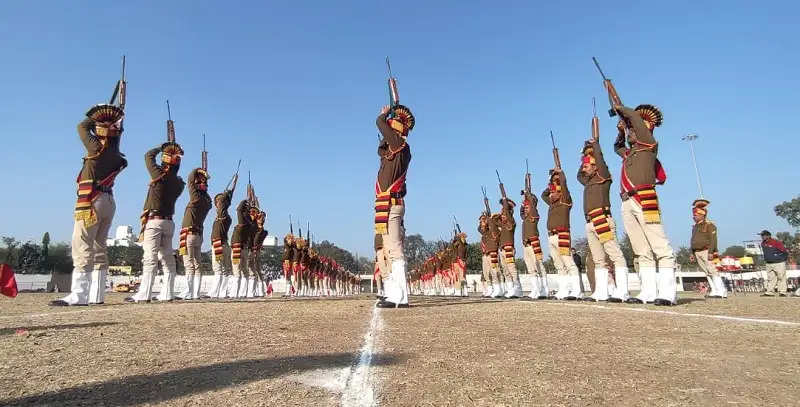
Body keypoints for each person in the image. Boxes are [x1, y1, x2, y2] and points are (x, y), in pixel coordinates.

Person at [51, 105, 126, 306]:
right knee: (99, 246)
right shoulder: (115, 151)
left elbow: (82, 127)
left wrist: (95, 118)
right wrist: (114, 121)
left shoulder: (96, 147)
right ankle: (97, 294)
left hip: (92, 200)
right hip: (109, 200)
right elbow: (116, 134)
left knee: (82, 244)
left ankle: (80, 295)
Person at [613, 103, 676, 306]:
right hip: (627, 200)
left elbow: (637, 122)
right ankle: (647, 291)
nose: (632, 130)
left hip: (644, 197)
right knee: (641, 249)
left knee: (660, 246)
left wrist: (621, 108)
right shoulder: (630, 153)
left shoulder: (649, 143)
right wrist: (621, 132)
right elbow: (617, 147)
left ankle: (668, 293)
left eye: (634, 128)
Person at [127, 142, 185, 303]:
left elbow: (148, 156)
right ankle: (168, 293)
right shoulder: (179, 183)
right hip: (169, 222)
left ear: (165, 161)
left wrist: (161, 147)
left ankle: (144, 294)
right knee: (167, 258)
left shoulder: (160, 175)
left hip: (155, 221)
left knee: (150, 257)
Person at [577, 139, 630, 302]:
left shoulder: (604, 176)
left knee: (615, 255)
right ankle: (601, 291)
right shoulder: (588, 181)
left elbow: (600, 160)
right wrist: (584, 156)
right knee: (598, 259)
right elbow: (579, 175)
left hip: (602, 219)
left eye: (587, 166)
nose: (584, 170)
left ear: (595, 166)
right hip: (590, 222)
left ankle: (623, 291)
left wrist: (595, 146)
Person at [374, 103, 414, 308]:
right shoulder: (393, 151)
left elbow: (380, 124)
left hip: (392, 206)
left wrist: (383, 116)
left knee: (395, 251)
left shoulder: (401, 147)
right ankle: (393, 294)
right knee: (390, 252)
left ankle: (400, 297)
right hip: (385, 207)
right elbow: (383, 146)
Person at [541, 168, 581, 300]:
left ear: (560, 192)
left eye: (554, 192)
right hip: (551, 236)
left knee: (569, 263)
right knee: (559, 265)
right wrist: (551, 182)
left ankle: (577, 291)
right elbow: (543, 195)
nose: (551, 194)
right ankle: (563, 291)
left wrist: (560, 174)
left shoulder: (565, 199)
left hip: (562, 234)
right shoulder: (552, 204)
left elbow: (564, 185)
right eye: (551, 192)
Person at [177, 167, 212, 300]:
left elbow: (190, 181)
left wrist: (197, 170)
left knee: (189, 263)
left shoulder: (196, 197)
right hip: (198, 235)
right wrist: (203, 181)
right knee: (197, 264)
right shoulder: (206, 201)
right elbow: (202, 190)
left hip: (189, 234)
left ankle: (188, 291)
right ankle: (195, 292)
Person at [206, 178, 236, 299]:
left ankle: (215, 292)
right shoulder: (224, 216)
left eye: (218, 202)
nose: (217, 204)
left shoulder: (223, 215)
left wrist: (227, 194)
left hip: (219, 244)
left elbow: (223, 203)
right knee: (223, 270)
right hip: (223, 243)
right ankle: (222, 292)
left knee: (218, 269)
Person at [689, 199, 724, 298]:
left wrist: (711, 251)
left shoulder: (709, 225)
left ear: (702, 214)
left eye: (695, 215)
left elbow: (713, 239)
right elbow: (693, 240)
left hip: (706, 251)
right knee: (706, 272)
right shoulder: (695, 227)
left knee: (713, 271)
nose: (693, 217)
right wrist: (691, 253)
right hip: (697, 252)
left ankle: (721, 291)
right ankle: (714, 290)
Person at [520, 188, 548, 300]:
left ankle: (545, 289)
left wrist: (528, 194)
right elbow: (521, 212)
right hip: (526, 244)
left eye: (527, 207)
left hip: (533, 243)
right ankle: (535, 289)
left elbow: (533, 202)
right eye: (525, 207)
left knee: (539, 265)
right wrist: (524, 200)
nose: (526, 209)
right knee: (530, 267)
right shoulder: (525, 217)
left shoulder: (534, 213)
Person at [759, 230, 789, 296]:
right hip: (768, 263)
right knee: (770, 278)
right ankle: (769, 292)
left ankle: (782, 292)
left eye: (763, 235)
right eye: (762, 235)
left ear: (768, 236)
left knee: (781, 277)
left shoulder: (776, 242)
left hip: (779, 263)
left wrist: (781, 259)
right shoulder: (763, 243)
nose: (762, 237)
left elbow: (784, 252)